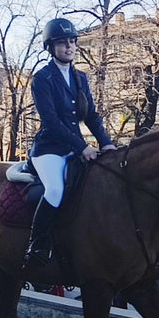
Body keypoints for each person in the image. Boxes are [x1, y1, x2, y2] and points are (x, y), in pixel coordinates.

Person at [24, 17, 116, 267]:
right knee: (55, 189)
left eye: (72, 42)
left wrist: (106, 143)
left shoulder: (81, 78)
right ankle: (38, 243)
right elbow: (51, 121)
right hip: (49, 150)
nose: (69, 47)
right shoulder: (43, 78)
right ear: (51, 47)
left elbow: (92, 116)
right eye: (63, 43)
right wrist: (83, 147)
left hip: (76, 148)